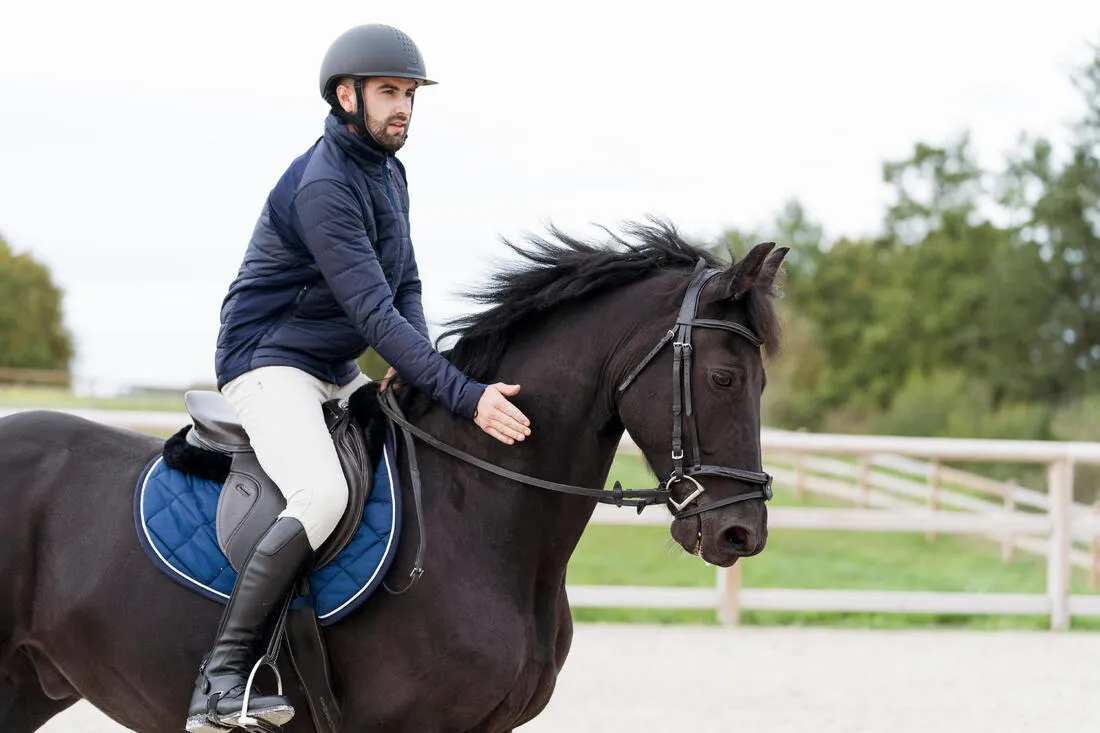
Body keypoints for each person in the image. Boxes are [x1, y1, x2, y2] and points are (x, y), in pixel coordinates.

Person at [185, 23, 532, 732]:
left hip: (333, 368)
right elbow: (374, 311)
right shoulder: (324, 185)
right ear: (346, 96)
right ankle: (221, 679)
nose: (402, 106)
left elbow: (405, 289)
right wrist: (464, 395)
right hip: (267, 361)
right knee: (321, 491)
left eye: (408, 94)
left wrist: (420, 367)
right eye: (388, 93)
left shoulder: (388, 173)